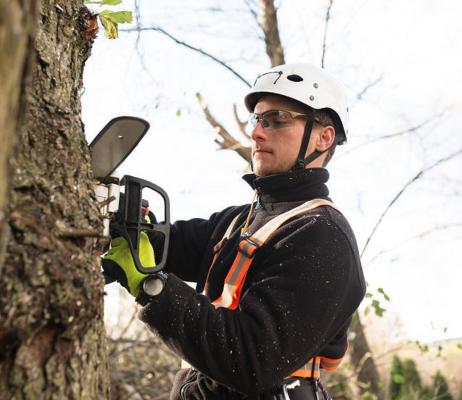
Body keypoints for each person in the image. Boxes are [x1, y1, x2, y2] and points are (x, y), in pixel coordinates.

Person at [103, 63, 366, 399]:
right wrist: (127, 224)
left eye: (277, 119)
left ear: (323, 136)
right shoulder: (238, 220)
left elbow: (250, 359)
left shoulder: (321, 236)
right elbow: (167, 244)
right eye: (257, 119)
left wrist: (151, 287)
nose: (257, 132)